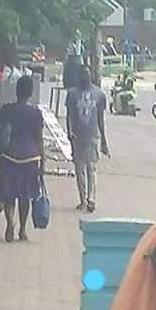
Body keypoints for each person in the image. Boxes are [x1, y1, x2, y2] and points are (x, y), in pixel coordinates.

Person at [0, 75, 44, 242]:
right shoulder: (36, 113)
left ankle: (10, 223)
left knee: (8, 194)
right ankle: (22, 229)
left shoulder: (6, 110)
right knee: (25, 195)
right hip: (30, 157)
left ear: (16, 91)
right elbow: (39, 138)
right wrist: (43, 161)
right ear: (30, 93)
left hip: (9, 156)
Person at [66, 65, 108, 213]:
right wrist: (69, 133)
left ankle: (91, 199)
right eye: (83, 74)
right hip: (77, 137)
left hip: (93, 136)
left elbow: (100, 119)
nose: (85, 77)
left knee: (92, 169)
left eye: (87, 74)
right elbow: (69, 115)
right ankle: (83, 199)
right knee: (79, 170)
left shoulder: (99, 94)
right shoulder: (72, 94)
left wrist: (104, 141)